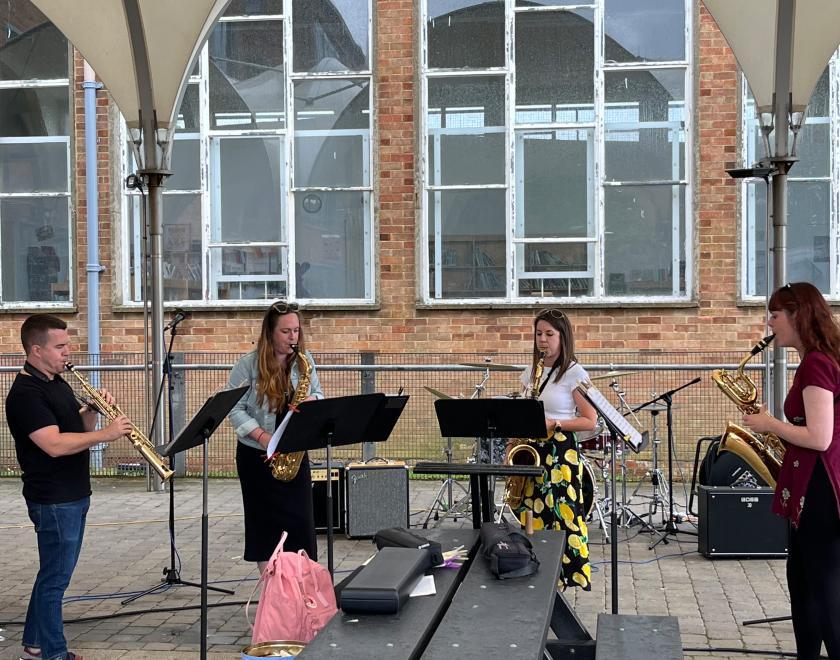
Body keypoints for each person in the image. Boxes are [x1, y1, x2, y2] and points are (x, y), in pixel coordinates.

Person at [6, 314, 132, 660]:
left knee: (51, 575)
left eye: (67, 345)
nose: (67, 352)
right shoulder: (26, 394)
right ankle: (54, 653)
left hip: (73, 493)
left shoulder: (56, 382)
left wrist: (92, 409)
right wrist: (107, 434)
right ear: (36, 350)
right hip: (53, 498)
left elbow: (76, 427)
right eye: (59, 346)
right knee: (55, 581)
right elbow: (54, 445)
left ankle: (34, 644)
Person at [742, 282, 840, 660]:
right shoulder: (817, 359)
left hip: (820, 490)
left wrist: (770, 425)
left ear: (798, 314)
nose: (770, 323)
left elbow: (819, 437)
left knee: (823, 592)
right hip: (812, 486)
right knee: (804, 584)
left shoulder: (816, 363)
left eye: (775, 315)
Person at [227, 301, 324, 574]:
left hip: (294, 453)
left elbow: (318, 393)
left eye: (296, 330)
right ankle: (272, 590)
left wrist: (312, 400)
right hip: (257, 455)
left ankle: (300, 587)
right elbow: (233, 409)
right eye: (285, 331)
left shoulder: (304, 361)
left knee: (301, 524)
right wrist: (263, 437)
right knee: (265, 528)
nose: (293, 337)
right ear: (270, 333)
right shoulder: (247, 365)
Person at [511, 307, 598, 590]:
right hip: (532, 450)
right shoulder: (530, 373)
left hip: (560, 452)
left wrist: (555, 423)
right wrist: (513, 440)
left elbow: (590, 420)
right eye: (539, 334)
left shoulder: (574, 373)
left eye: (549, 334)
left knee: (562, 513)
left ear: (563, 337)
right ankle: (536, 570)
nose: (542, 340)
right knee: (532, 511)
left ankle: (566, 575)